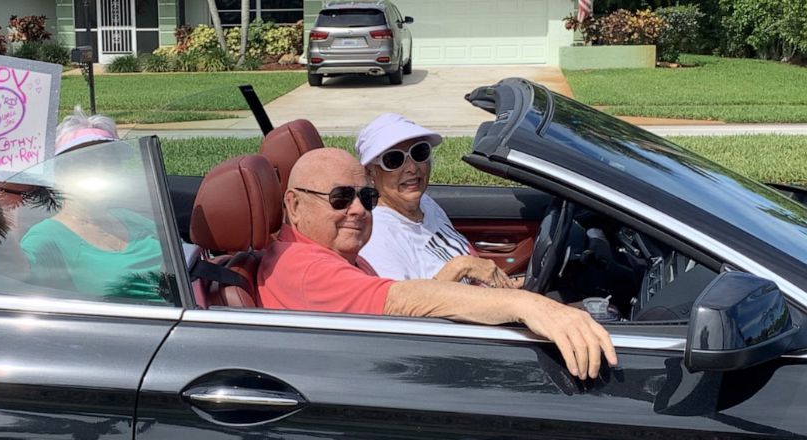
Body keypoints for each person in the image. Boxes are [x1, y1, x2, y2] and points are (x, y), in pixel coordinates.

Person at [256, 148, 616, 380]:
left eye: (366, 198)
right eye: (339, 198)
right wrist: (529, 306)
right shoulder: (304, 269)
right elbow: (402, 300)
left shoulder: (316, 252)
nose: (358, 210)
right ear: (295, 205)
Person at [0, 107, 166, 301]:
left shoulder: (129, 217)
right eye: (86, 161)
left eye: (110, 159)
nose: (102, 168)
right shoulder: (48, 235)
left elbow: (182, 259)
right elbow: (19, 273)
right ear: (59, 173)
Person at [357, 113, 519, 288]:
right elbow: (404, 308)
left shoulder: (426, 203)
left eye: (419, 152)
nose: (412, 168)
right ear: (369, 173)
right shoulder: (375, 236)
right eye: (394, 160)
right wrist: (460, 267)